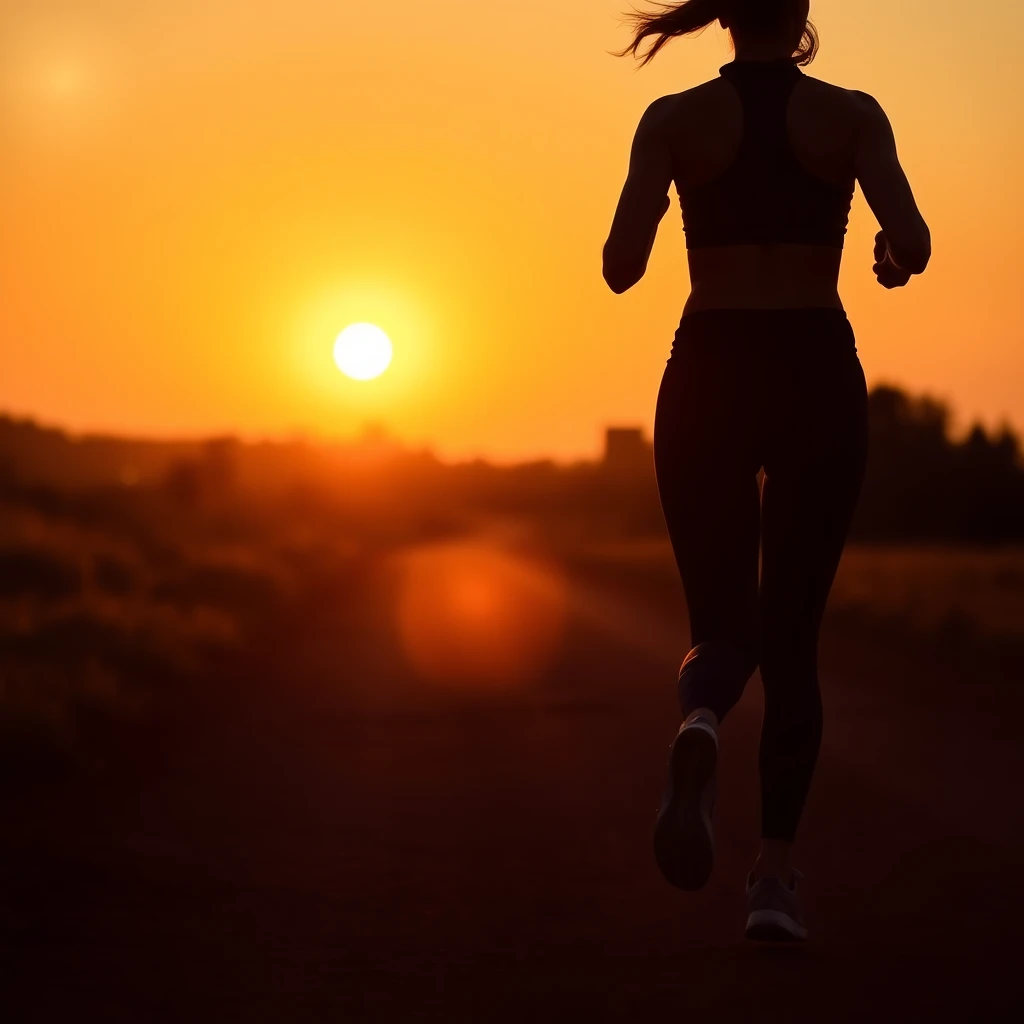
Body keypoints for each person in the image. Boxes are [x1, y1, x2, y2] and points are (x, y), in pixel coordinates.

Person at [602, 0, 930, 943]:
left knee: (721, 624)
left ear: (725, 19)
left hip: (708, 370)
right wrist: (887, 258)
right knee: (794, 643)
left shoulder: (672, 120)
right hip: (814, 375)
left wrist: (670, 196)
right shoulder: (852, 116)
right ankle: (774, 883)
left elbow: (621, 268)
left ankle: (701, 722)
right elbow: (912, 241)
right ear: (801, 17)